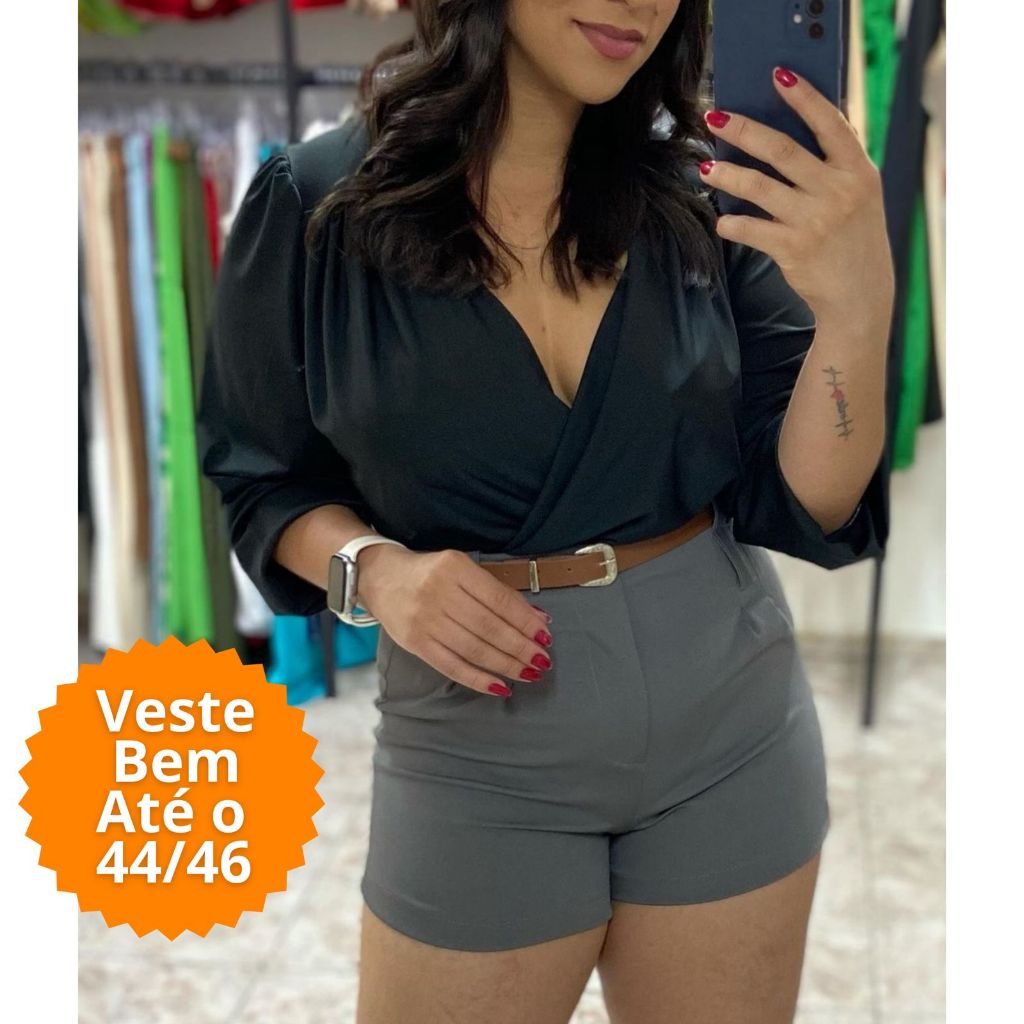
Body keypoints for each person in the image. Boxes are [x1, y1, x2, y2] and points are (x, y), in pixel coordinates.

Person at [197, 1, 893, 1021]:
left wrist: (856, 311)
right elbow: (262, 476)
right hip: (478, 735)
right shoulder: (317, 203)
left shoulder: (702, 193)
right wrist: (377, 572)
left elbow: (807, 498)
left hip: (731, 719)